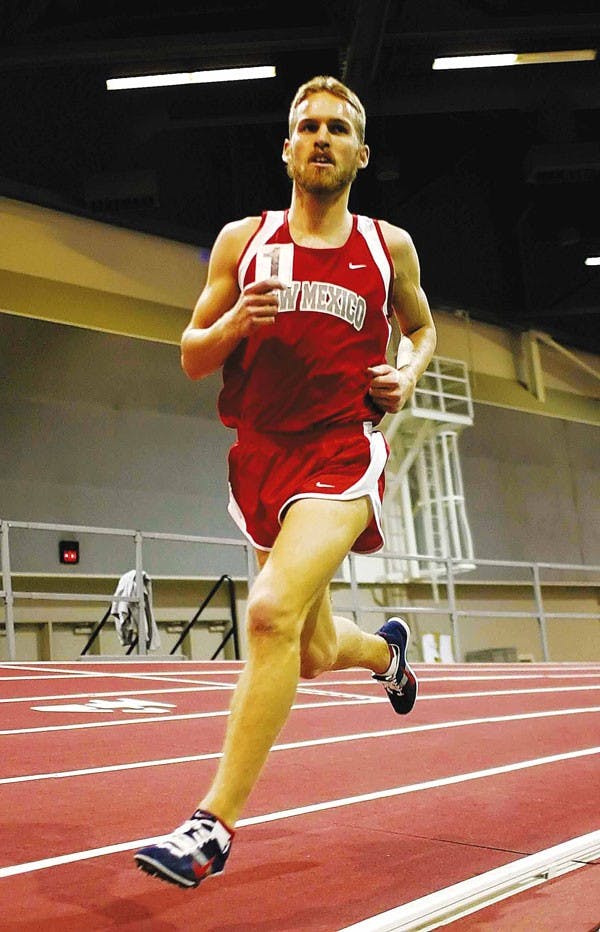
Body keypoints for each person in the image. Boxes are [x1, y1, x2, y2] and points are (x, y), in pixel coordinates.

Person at [135, 74, 437, 889]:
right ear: (286, 147)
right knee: (308, 651)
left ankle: (211, 827)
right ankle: (387, 655)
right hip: (261, 461)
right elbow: (194, 356)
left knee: (267, 614)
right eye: (308, 126)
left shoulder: (387, 246)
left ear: (360, 153)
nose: (322, 137)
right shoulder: (244, 240)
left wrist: (405, 376)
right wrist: (236, 322)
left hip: (340, 454)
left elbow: (422, 326)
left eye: (338, 128)